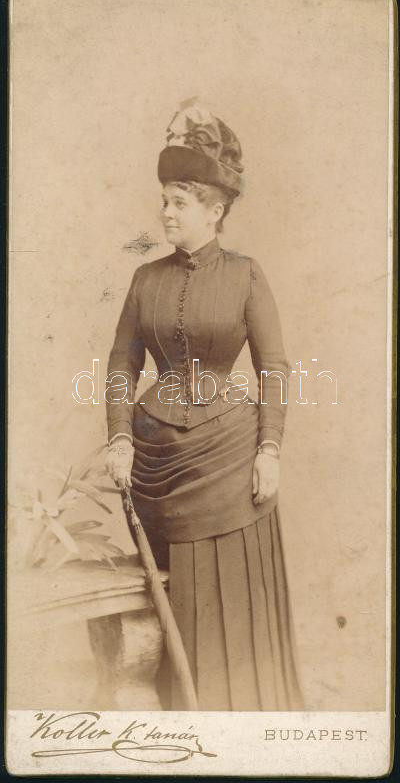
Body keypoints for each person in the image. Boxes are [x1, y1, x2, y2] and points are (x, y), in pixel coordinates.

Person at [105, 101, 303, 711]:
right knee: (168, 607)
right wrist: (120, 437)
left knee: (230, 602)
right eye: (165, 200)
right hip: (157, 461)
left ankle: (236, 711)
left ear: (214, 211)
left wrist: (270, 449)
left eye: (180, 202)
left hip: (229, 459)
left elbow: (273, 367)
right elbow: (121, 366)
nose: (166, 212)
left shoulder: (246, 275)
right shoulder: (145, 279)